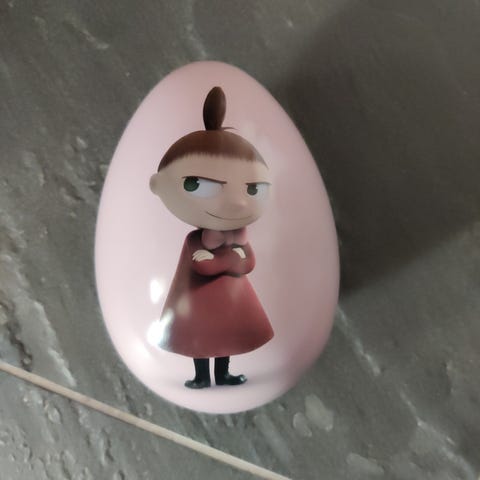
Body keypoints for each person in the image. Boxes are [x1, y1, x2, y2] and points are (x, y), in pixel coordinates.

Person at [149, 86, 274, 388]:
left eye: (252, 189)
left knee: (225, 339)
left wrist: (229, 259)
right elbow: (204, 266)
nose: (237, 203)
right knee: (201, 340)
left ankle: (224, 374)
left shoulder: (236, 235)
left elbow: (248, 263)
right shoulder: (196, 240)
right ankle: (201, 376)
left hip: (231, 304)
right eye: (199, 185)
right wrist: (232, 259)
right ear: (158, 185)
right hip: (197, 306)